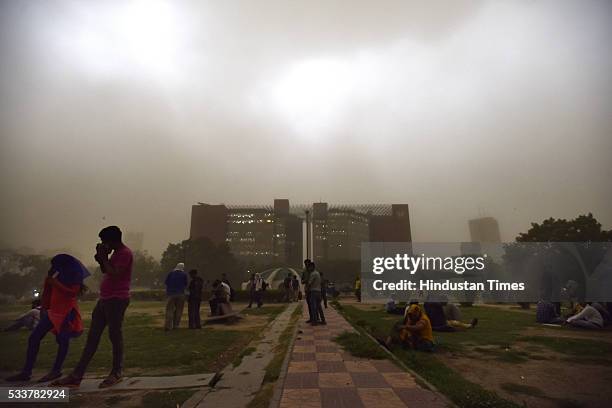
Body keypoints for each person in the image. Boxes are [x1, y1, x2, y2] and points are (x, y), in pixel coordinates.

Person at [52, 226, 133, 389]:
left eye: (104, 242)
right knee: (92, 337)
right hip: (105, 299)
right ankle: (77, 375)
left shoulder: (125, 253)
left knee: (115, 336)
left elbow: (115, 274)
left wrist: (104, 258)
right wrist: (101, 259)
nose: (103, 244)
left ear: (112, 240)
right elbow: (106, 271)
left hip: (117, 299)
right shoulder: (116, 254)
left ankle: (116, 372)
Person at [6, 254, 89, 383]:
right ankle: (26, 372)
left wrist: (55, 283)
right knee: (34, 338)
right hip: (52, 312)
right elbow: (47, 293)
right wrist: (44, 309)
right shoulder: (53, 275)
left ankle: (56, 371)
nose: (54, 267)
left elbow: (72, 293)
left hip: (67, 312)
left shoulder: (73, 276)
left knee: (62, 340)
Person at [164, 263, 188, 331]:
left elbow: (166, 283)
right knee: (179, 311)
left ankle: (168, 326)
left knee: (169, 310)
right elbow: (186, 284)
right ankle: (176, 325)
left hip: (171, 294)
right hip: (180, 294)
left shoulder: (171, 273)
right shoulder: (184, 274)